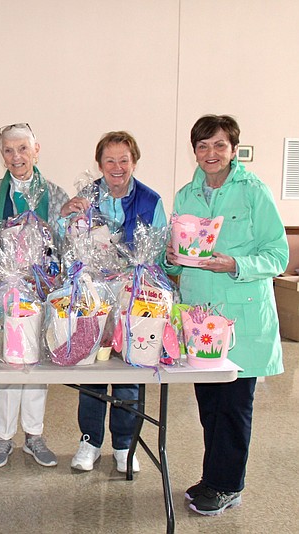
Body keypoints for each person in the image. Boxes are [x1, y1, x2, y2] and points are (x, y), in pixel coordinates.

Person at [165, 115, 287, 516]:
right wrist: (171, 261)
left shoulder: (254, 193)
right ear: (194, 151)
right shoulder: (186, 196)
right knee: (210, 406)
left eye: (219, 145)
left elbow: (278, 255)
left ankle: (228, 485)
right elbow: (181, 260)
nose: (211, 154)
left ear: (233, 149)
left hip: (241, 321)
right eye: (203, 146)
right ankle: (213, 477)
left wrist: (234, 263)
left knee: (234, 407)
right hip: (200, 319)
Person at [59, 130, 167, 474]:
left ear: (134, 161)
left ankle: (124, 444)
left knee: (127, 370)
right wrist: (65, 216)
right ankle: (89, 441)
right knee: (90, 366)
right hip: (93, 294)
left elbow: (162, 253)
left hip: (135, 295)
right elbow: (63, 244)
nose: (117, 167)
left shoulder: (151, 201)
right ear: (99, 164)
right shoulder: (86, 198)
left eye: (124, 159)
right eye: (110, 160)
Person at [0, 123, 68, 469]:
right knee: (8, 360)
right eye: (9, 151)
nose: (16, 157)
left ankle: (34, 435)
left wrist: (48, 238)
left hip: (42, 288)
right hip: (3, 286)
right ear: (2, 155)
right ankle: (3, 436)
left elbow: (65, 242)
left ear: (36, 150)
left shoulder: (56, 195)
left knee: (36, 364)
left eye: (23, 149)